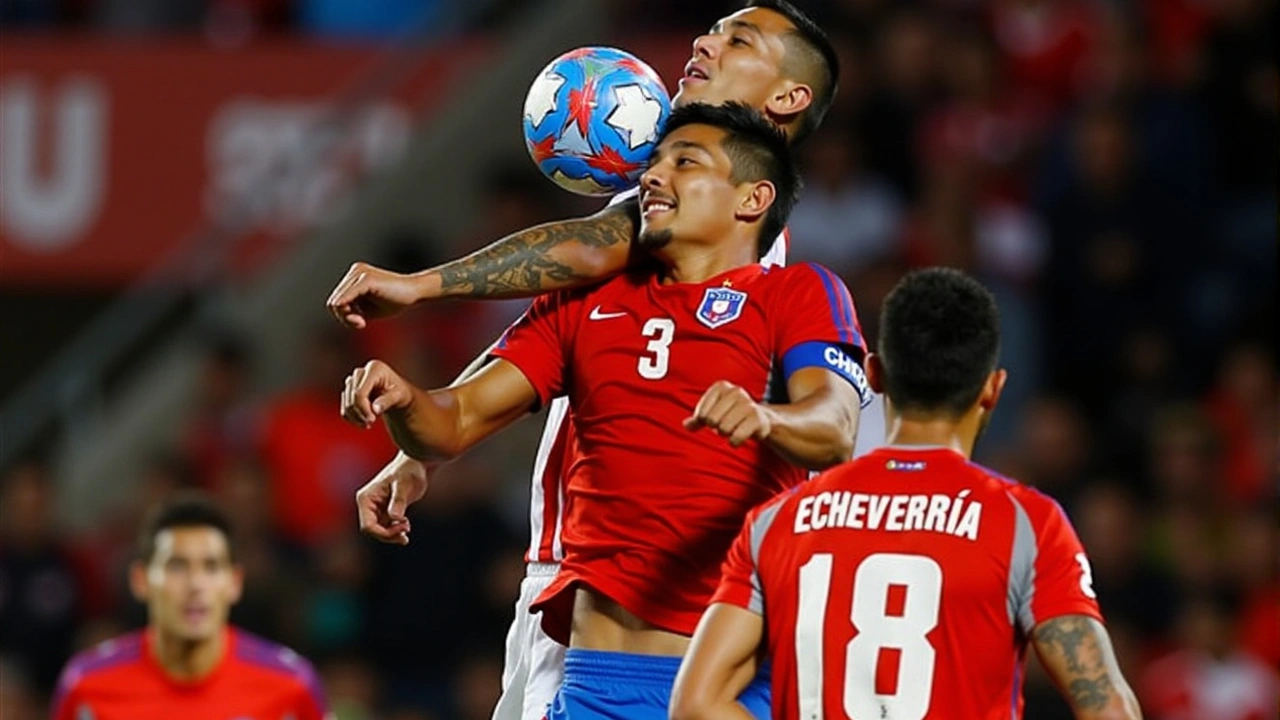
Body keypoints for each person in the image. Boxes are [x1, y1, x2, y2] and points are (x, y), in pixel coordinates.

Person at [329, 3, 857, 719]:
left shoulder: (740, 256)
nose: (705, 40)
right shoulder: (675, 236)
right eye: (712, 28)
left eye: (739, 40)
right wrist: (425, 443)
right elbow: (543, 328)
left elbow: (589, 247)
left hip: (658, 613)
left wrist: (422, 285)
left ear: (789, 98)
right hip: (588, 602)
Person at [670, 268, 1143, 720]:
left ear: (873, 376)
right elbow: (1107, 706)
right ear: (993, 388)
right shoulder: (1026, 523)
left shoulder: (780, 520)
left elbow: (696, 702)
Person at [51, 493, 330, 720]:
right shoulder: (86, 687)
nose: (196, 584)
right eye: (177, 566)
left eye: (211, 567)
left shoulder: (291, 686)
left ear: (234, 582)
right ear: (140, 580)